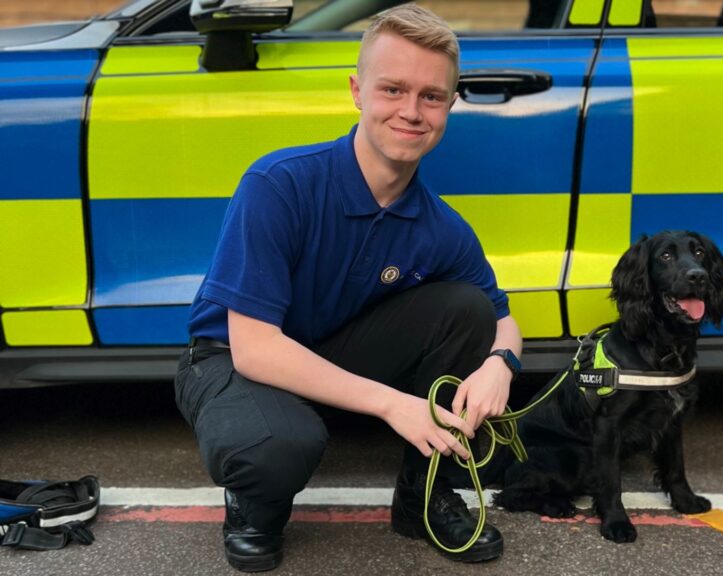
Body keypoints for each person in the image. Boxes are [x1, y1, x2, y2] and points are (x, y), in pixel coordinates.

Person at [174, 4, 522, 572]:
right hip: (230, 359)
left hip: (328, 350)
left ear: (450, 106)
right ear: (358, 91)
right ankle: (255, 506)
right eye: (393, 90)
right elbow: (256, 348)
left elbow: (501, 317)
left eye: (432, 97)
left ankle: (423, 497)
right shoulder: (279, 184)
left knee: (466, 308)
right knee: (278, 448)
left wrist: (500, 364)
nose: (412, 112)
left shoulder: (441, 226)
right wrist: (393, 405)